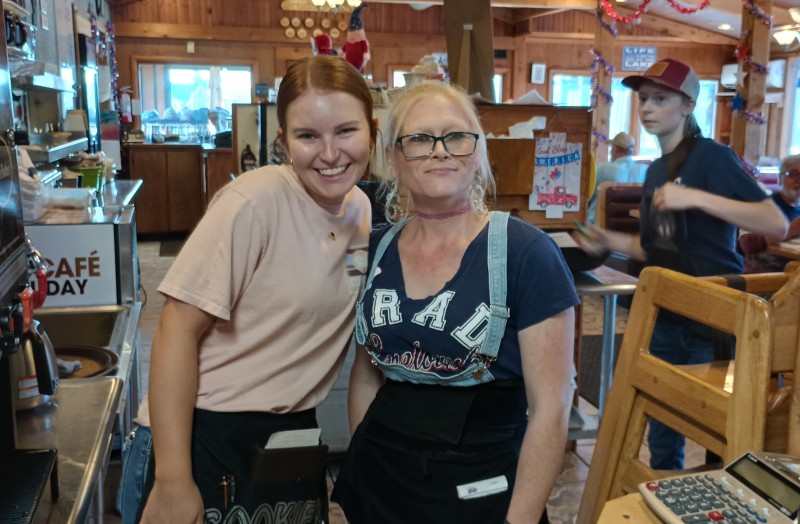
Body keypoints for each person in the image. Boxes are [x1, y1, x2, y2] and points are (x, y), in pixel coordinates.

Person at [131, 55, 375, 524]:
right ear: (283, 142)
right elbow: (176, 330)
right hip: (200, 435)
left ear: (372, 130)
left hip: (291, 436)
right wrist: (174, 481)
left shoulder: (360, 210)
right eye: (308, 136)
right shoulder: (255, 201)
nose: (329, 153)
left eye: (345, 131)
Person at [331, 82, 580, 523]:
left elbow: (551, 410)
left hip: (481, 490)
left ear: (478, 153)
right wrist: (364, 468)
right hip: (382, 487)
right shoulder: (373, 250)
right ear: (392, 157)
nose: (440, 151)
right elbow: (367, 376)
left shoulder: (527, 255)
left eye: (456, 136)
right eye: (420, 139)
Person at [572, 58, 787, 470]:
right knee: (661, 419)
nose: (647, 108)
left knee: (723, 427)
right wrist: (607, 240)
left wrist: (698, 198)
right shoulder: (655, 170)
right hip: (666, 308)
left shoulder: (713, 158)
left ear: (687, 106)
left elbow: (774, 222)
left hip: (712, 312)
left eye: (660, 99)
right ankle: (662, 491)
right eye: (643, 100)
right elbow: (657, 249)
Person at [741, 154, 800, 272]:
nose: (798, 180)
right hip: (765, 276)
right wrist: (791, 230)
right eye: (792, 174)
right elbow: (746, 244)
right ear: (779, 179)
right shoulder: (764, 206)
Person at [586, 132, 647, 223]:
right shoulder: (644, 171)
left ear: (614, 149)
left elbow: (587, 196)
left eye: (611, 148)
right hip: (632, 227)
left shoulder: (603, 169)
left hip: (599, 225)